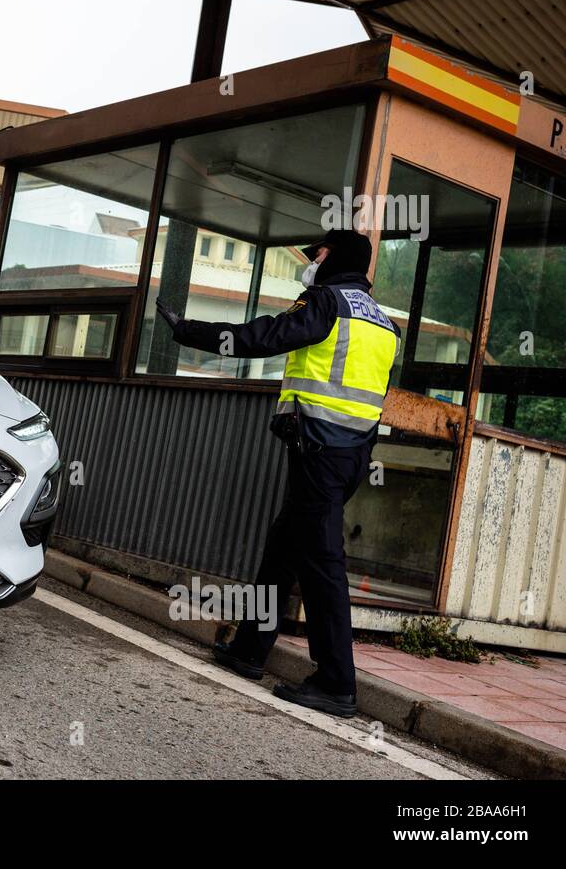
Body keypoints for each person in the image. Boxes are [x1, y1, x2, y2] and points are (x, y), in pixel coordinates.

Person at [155, 228, 399, 718]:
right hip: (351, 454)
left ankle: (336, 683)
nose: (313, 261)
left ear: (339, 258)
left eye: (321, 253)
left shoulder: (328, 302)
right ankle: (249, 650)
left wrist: (189, 331)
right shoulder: (385, 323)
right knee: (284, 547)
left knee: (322, 562)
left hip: (320, 452)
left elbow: (264, 336)